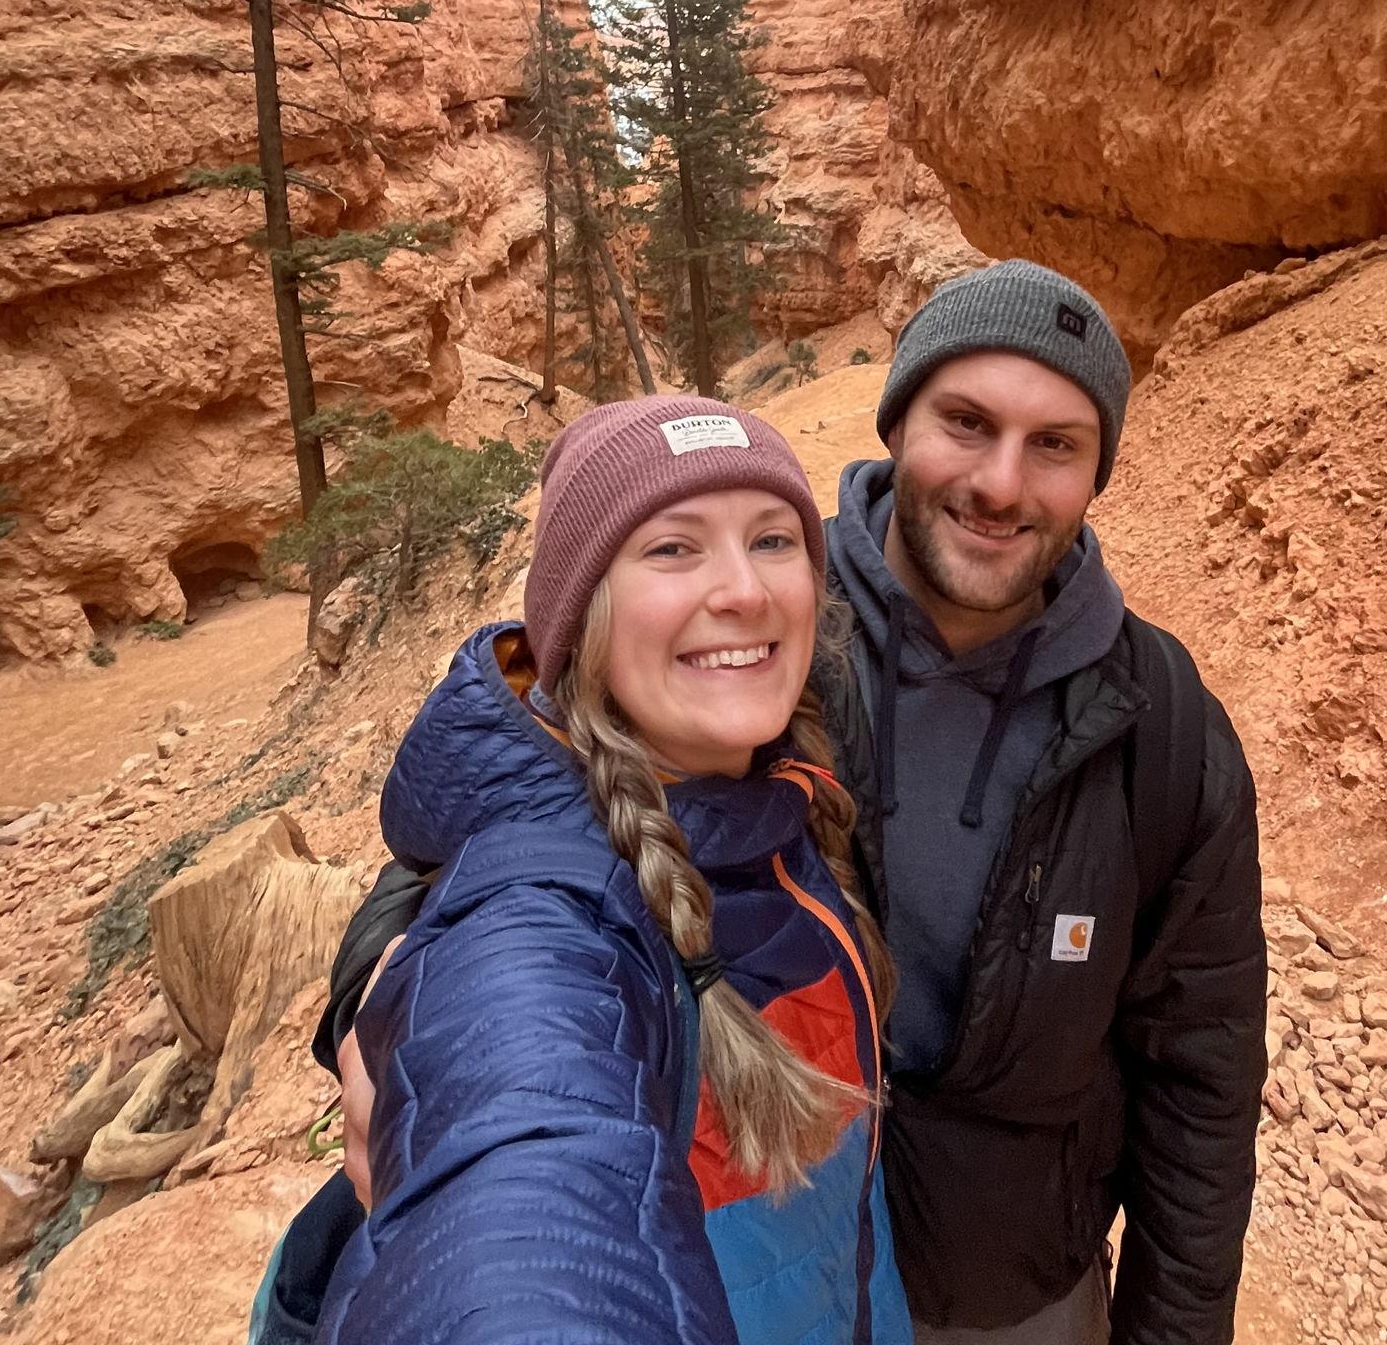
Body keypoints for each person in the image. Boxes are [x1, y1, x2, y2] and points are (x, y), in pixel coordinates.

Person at [322, 261, 1267, 1345]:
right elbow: (511, 801)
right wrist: (384, 996)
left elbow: (1201, 1069)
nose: (1002, 484)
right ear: (896, 422)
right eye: (965, 422)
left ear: (1098, 472)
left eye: (1055, 443)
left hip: (1016, 1290)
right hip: (760, 1269)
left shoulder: (1158, 721)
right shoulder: (757, 632)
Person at [257, 396, 909, 1345]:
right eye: (673, 548)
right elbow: (522, 1230)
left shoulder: (776, 789)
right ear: (582, 613)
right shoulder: (541, 932)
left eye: (772, 540)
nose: (744, 590)